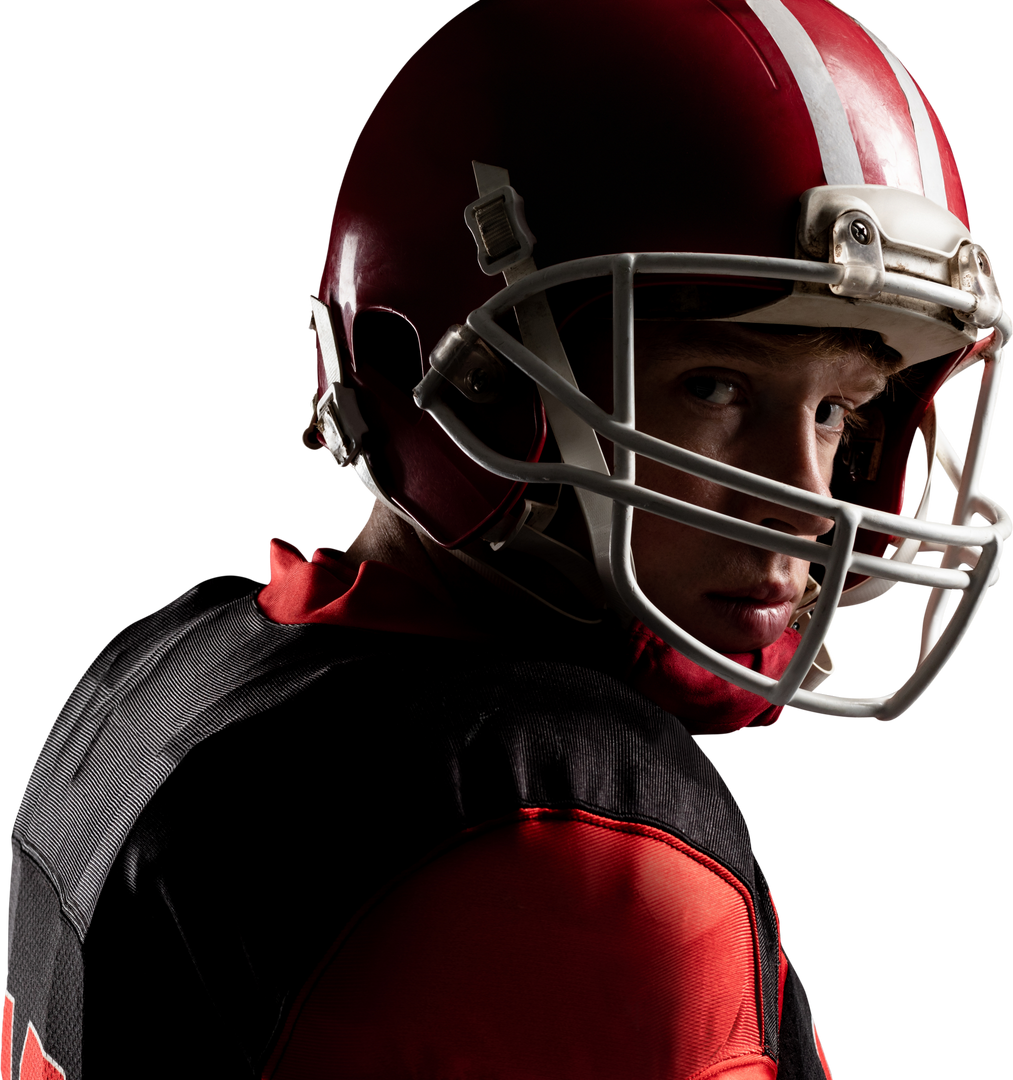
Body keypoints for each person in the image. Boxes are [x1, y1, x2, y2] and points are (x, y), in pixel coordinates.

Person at [4, 2, 1009, 1078]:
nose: (809, 502)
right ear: (475, 385)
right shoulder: (557, 839)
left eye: (835, 413)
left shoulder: (170, 667)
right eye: (715, 386)